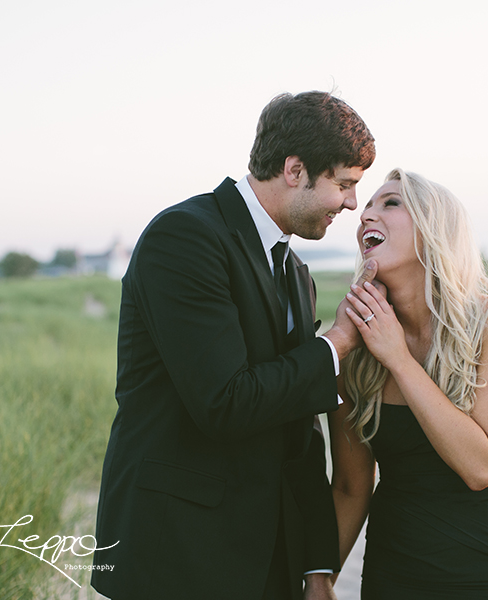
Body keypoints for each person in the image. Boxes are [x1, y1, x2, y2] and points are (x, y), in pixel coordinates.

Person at [90, 91, 376, 600]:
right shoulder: (185, 237)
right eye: (345, 184)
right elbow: (224, 401)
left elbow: (299, 430)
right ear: (294, 169)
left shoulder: (294, 270)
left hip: (266, 560)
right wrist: (336, 344)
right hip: (179, 555)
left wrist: (315, 566)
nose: (351, 203)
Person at [328, 169, 488, 599]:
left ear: (433, 229)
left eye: (390, 203)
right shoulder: (354, 345)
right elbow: (351, 487)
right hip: (396, 569)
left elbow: (482, 466)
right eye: (367, 206)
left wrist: (398, 358)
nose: (366, 214)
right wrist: (320, 579)